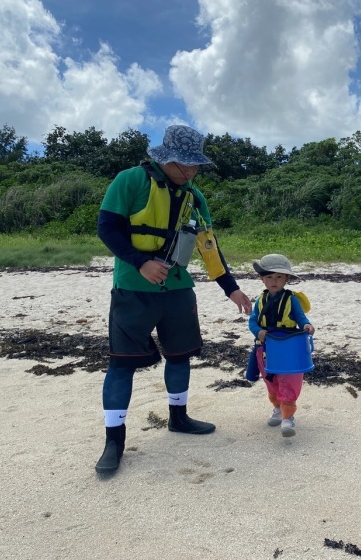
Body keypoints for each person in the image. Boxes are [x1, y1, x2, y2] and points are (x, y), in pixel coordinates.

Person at [95, 124, 252, 473]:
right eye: (186, 165)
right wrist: (141, 263)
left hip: (178, 290)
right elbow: (106, 227)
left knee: (180, 356)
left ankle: (178, 418)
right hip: (132, 289)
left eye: (196, 166)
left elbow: (209, 248)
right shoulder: (130, 180)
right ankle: (113, 442)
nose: (192, 171)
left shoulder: (195, 197)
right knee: (121, 364)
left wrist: (232, 288)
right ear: (165, 159)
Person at [247, 254, 315, 437]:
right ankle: (277, 408)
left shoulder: (291, 299)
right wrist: (258, 331)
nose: (274, 281)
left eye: (279, 277)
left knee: (289, 381)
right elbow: (253, 321)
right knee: (271, 381)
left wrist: (307, 326)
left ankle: (288, 417)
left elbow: (301, 318)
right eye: (269, 277)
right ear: (262, 279)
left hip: (288, 347)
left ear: (287, 279)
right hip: (266, 348)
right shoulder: (260, 300)